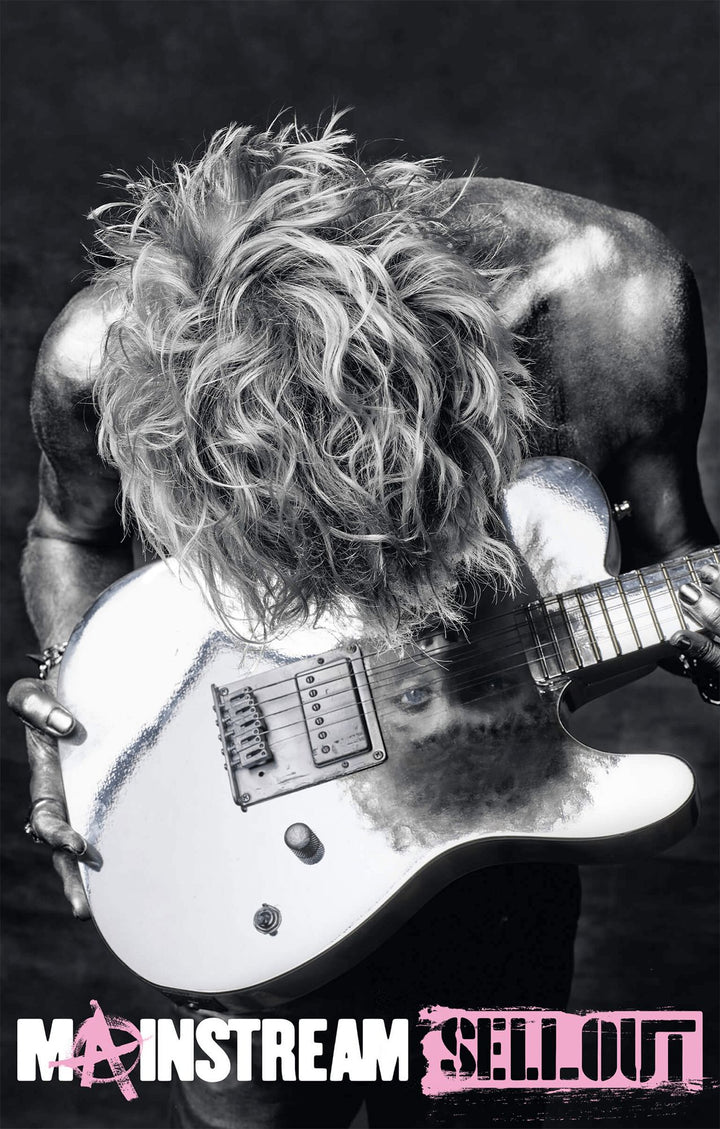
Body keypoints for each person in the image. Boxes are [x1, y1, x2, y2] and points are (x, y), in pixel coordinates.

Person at [8, 117, 720, 1128]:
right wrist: (70, 703)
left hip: (494, 827)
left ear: (467, 406)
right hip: (241, 856)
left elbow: (674, 559)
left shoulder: (613, 307)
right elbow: (69, 531)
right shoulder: (104, 352)